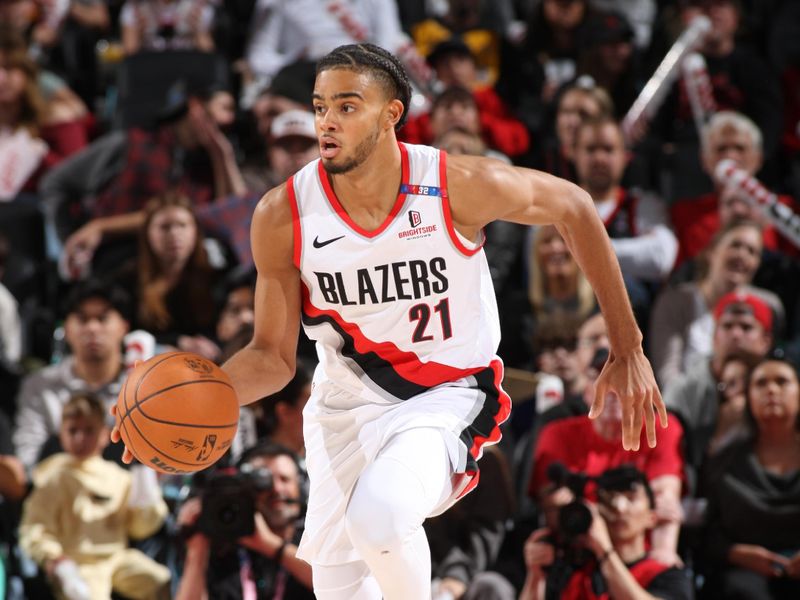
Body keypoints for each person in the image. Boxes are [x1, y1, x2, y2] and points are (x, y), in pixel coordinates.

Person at [112, 43, 666, 599]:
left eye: (347, 107)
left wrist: (628, 346)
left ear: (391, 114)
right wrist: (187, 399)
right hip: (342, 410)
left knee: (380, 517)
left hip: (447, 395)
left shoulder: (452, 186)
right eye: (320, 106)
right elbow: (273, 359)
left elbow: (573, 205)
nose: (327, 121)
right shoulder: (284, 215)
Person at [19, 393, 171, 600]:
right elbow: (34, 527)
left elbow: (142, 528)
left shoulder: (119, 478)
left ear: (104, 434)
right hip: (76, 564)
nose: (80, 438)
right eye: (72, 431)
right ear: (61, 434)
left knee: (164, 582)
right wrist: (56, 561)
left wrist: (144, 476)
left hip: (117, 559)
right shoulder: (53, 476)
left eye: (89, 430)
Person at [702, 355, 800, 599]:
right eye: (760, 383)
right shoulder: (724, 463)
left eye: (782, 381)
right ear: (748, 398)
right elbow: (705, 532)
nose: (771, 390)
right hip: (742, 577)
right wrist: (735, 553)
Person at [521, 466, 693, 600]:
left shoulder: (669, 575)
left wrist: (605, 550)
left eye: (631, 498)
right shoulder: (573, 569)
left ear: (652, 517)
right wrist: (535, 576)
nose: (619, 508)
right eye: (609, 500)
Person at [14, 279, 130, 470]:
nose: (92, 328)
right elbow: (28, 459)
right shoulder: (39, 384)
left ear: (124, 327)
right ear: (66, 329)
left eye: (102, 319)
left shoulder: (143, 388)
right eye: (82, 319)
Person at [174, 442, 314, 600]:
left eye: (284, 479)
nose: (276, 489)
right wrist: (197, 551)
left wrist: (270, 545)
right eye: (264, 481)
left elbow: (334, 580)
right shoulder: (223, 549)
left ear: (302, 490)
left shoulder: (313, 541)